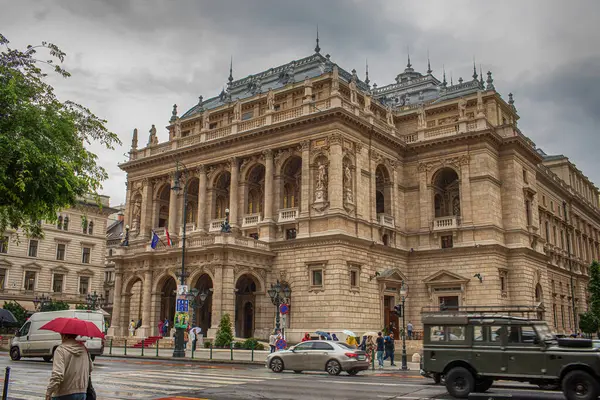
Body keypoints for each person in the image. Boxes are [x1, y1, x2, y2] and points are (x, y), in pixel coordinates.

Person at [45, 334, 93, 400]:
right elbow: (90, 368)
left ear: (64, 335)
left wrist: (49, 392)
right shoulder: (84, 349)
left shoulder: (60, 350)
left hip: (63, 393)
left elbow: (57, 374)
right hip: (81, 393)